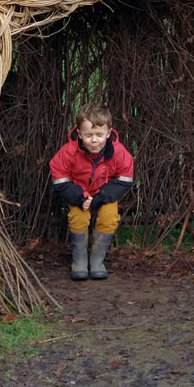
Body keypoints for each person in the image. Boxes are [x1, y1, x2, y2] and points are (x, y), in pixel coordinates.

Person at [49, 104, 134, 281]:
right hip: (79, 195)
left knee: (110, 217)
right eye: (88, 135)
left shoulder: (118, 152)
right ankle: (79, 261)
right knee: (78, 217)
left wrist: (100, 197)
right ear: (79, 134)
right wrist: (80, 197)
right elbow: (59, 178)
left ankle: (97, 261)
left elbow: (125, 178)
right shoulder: (69, 152)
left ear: (108, 133)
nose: (94, 140)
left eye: (99, 135)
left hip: (104, 194)